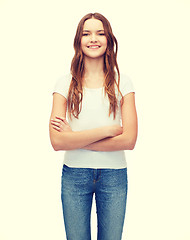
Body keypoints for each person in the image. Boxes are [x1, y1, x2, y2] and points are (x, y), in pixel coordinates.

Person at [49, 12, 138, 240]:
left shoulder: (122, 82)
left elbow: (129, 140)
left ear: (109, 39)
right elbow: (58, 142)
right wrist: (107, 131)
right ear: (79, 40)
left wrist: (76, 138)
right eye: (86, 33)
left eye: (100, 33)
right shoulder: (64, 83)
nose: (93, 39)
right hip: (75, 175)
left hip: (114, 175)